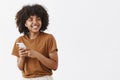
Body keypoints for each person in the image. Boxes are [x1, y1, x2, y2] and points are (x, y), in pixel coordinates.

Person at [12, 4, 58, 80]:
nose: (35, 22)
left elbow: (54, 66)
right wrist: (22, 57)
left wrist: (36, 54)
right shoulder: (20, 40)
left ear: (42, 21)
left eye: (38, 19)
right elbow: (20, 67)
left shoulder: (49, 38)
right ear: (25, 23)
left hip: (44, 78)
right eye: (30, 20)